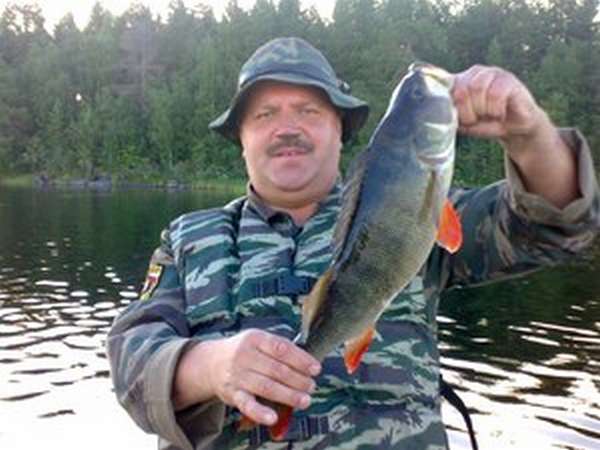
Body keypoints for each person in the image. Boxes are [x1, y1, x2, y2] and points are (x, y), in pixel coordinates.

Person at [106, 37, 600, 450]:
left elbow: (559, 225)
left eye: (308, 110)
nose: (287, 128)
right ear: (241, 139)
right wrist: (210, 366)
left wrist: (530, 133)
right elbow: (131, 361)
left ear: (340, 130)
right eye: (265, 114)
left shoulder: (417, 210)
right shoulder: (188, 238)